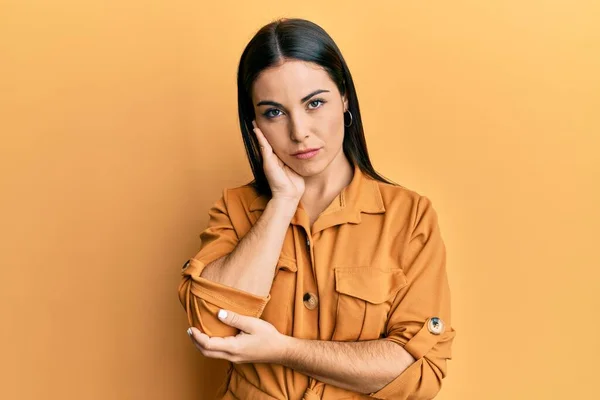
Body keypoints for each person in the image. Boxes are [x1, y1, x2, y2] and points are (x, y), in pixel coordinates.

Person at [178, 18, 456, 400]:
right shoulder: (235, 209)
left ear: (344, 98)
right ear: (254, 123)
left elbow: (418, 373)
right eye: (274, 112)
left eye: (314, 103)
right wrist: (282, 204)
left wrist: (284, 351)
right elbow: (212, 330)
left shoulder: (409, 217)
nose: (299, 131)